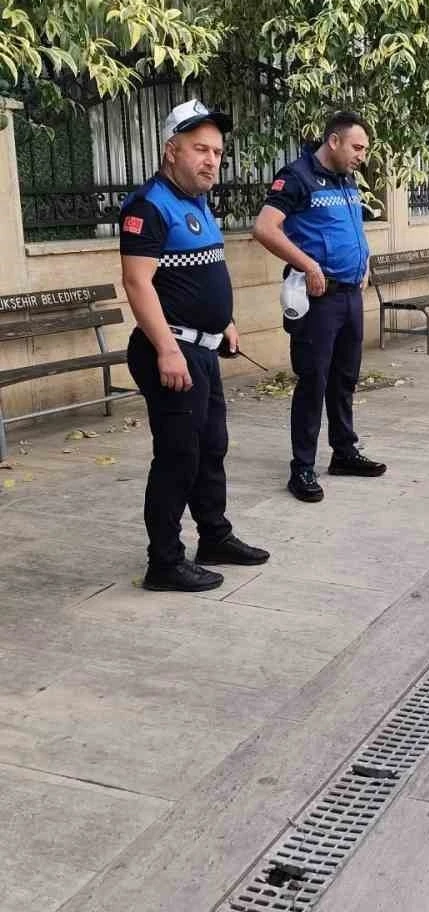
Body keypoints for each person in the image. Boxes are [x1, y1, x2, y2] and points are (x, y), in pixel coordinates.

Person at [119, 99, 270, 590]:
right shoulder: (148, 206)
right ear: (172, 151)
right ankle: (164, 563)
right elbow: (138, 283)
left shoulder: (197, 201)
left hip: (203, 349)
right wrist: (167, 349)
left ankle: (214, 536)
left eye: (218, 152)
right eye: (200, 149)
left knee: (211, 448)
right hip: (171, 351)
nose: (211, 160)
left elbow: (203, 271)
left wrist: (225, 321)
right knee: (178, 456)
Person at [252, 110, 386, 501]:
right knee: (313, 382)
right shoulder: (297, 177)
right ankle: (303, 468)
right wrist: (307, 264)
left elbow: (350, 228)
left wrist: (365, 262)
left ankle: (344, 452)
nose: (362, 156)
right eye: (357, 147)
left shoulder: (346, 178)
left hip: (350, 296)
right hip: (319, 299)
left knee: (345, 378)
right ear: (334, 141)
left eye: (365, 149)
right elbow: (264, 228)